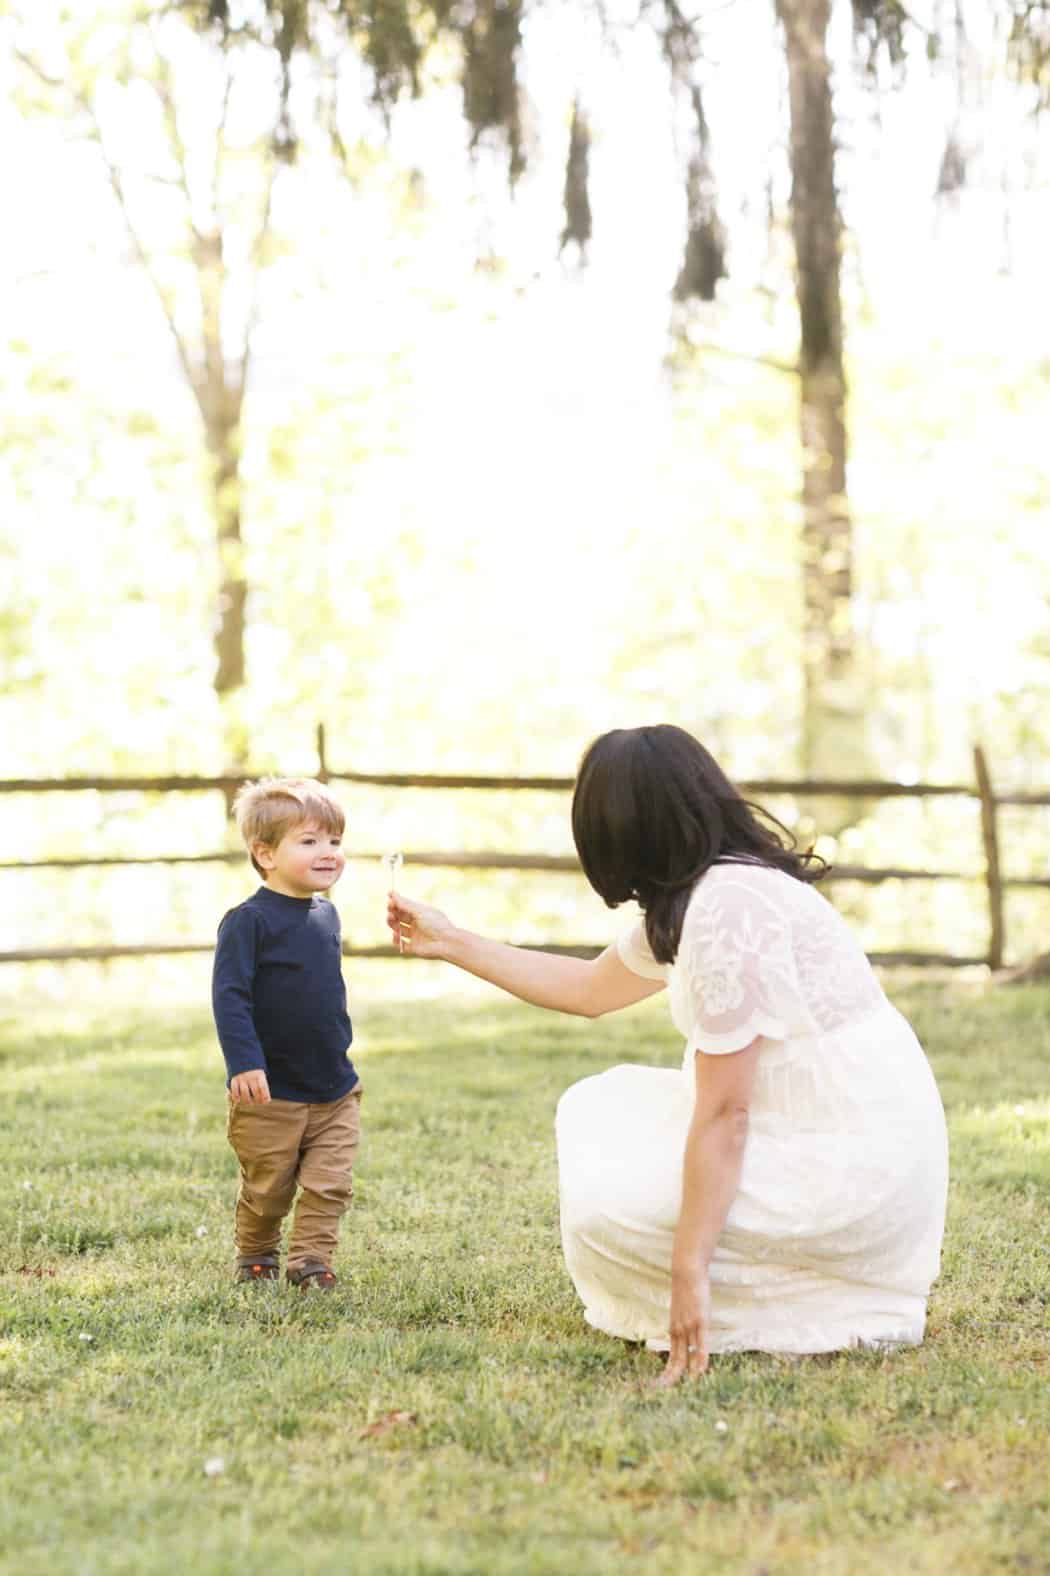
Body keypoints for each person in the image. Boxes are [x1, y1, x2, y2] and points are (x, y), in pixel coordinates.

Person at [386, 726, 949, 1385]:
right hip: (812, 1129)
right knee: (600, 1113)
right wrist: (451, 941)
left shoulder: (728, 907)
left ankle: (794, 1290)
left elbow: (726, 1114)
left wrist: (689, 1270)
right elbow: (588, 989)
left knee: (616, 1210)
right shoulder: (710, 893)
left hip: (846, 1163)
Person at [212, 778, 362, 1291]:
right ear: (265, 853)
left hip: (335, 1087)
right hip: (270, 1091)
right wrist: (243, 1063)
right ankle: (256, 1251)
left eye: (335, 842)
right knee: (269, 1187)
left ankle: (310, 1260)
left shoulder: (327, 914)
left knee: (330, 1183)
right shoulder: (247, 922)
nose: (328, 853)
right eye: (310, 841)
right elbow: (231, 997)